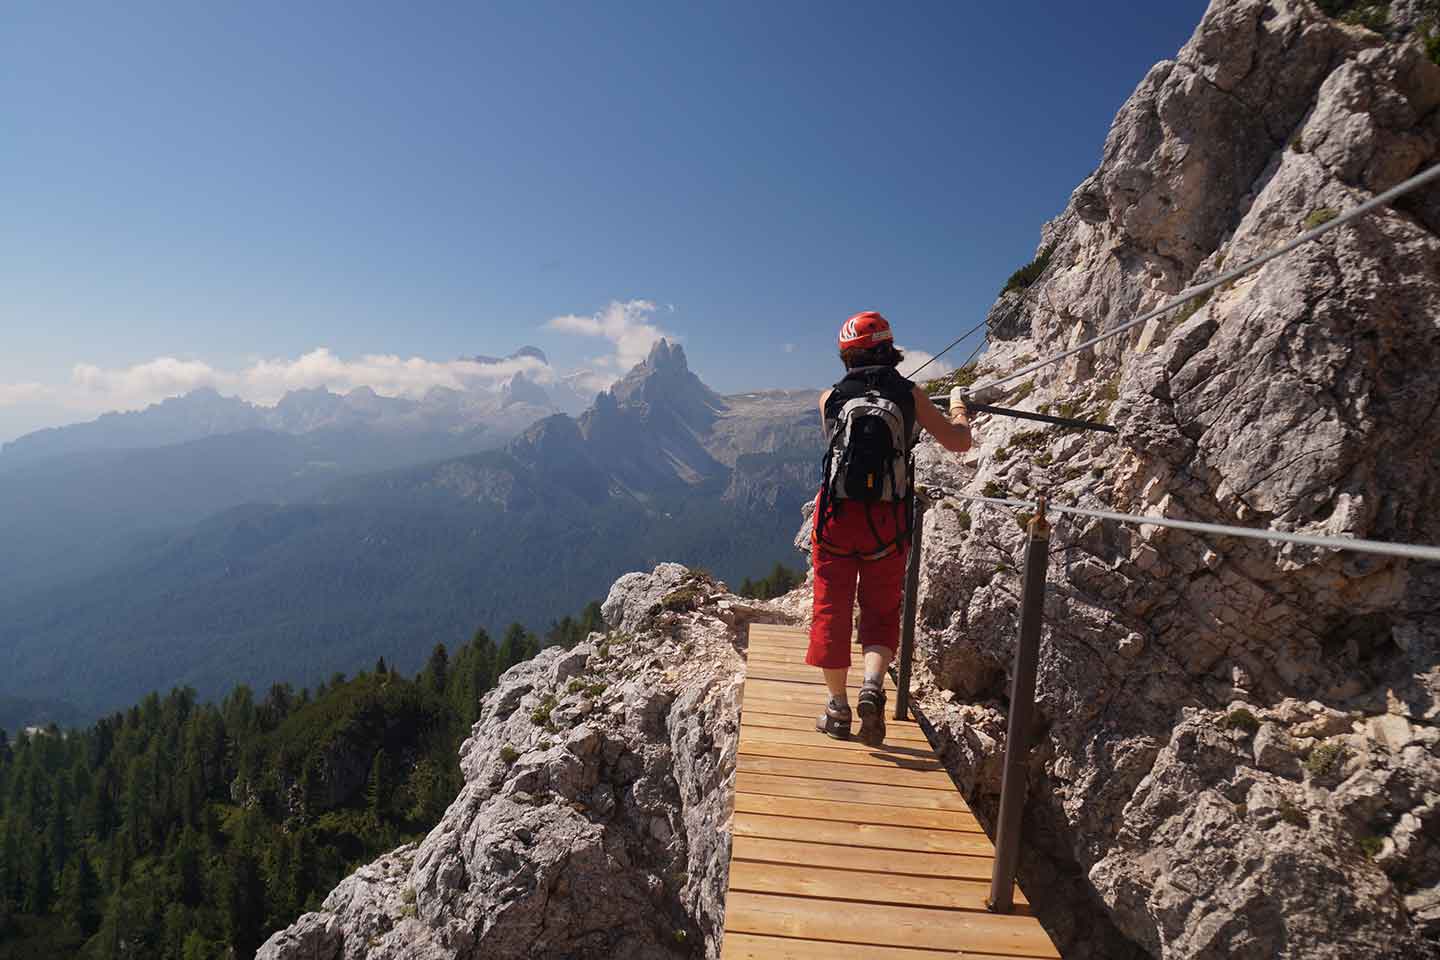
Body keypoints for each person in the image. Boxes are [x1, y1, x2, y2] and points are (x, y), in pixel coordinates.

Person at [808, 311, 973, 746]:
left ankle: (837, 709)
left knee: (831, 608)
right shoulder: (910, 395)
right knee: (880, 609)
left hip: (836, 520)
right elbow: (959, 443)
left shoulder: (829, 398)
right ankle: (872, 686)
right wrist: (958, 407)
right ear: (890, 347)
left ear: (846, 355)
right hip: (888, 521)